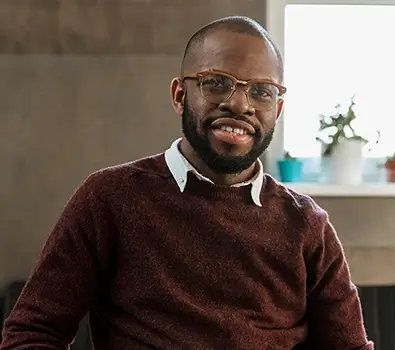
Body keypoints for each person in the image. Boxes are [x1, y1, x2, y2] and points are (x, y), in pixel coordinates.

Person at [0, 16, 373, 350]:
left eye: (261, 91)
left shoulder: (308, 226)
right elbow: (32, 334)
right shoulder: (110, 199)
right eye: (217, 83)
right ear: (180, 95)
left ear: (276, 109)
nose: (240, 105)